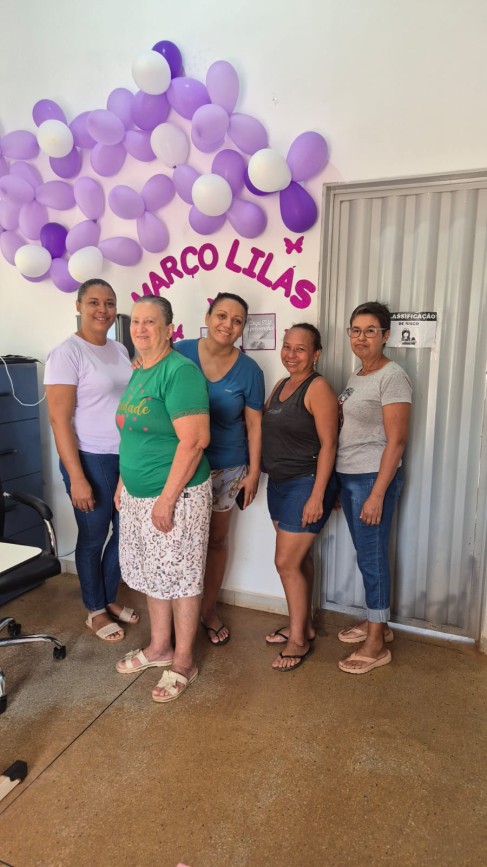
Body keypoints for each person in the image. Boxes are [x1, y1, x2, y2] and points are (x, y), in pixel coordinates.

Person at [114, 295, 212, 703]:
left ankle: (184, 660)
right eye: (136, 321)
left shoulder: (180, 372)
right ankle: (159, 647)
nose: (140, 328)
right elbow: (132, 432)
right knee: (153, 572)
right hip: (140, 495)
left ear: (169, 329)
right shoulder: (140, 370)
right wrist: (123, 482)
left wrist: (167, 499)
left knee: (182, 576)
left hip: (178, 495)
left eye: (150, 322)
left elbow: (195, 441)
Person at [45, 278, 135, 643]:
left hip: (125, 457)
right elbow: (59, 420)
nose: (103, 309)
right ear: (79, 306)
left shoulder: (119, 349)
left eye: (109, 303)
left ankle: (108, 597)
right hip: (90, 458)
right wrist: (77, 477)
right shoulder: (66, 354)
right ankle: (95, 610)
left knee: (126, 534)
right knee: (94, 536)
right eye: (94, 302)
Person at [177, 293, 265, 646]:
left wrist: (254, 472)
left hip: (227, 468)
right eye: (222, 316)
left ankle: (208, 610)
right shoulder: (179, 351)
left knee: (215, 542)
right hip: (182, 465)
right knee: (180, 543)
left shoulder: (250, 371)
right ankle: (176, 616)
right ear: (208, 316)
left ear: (242, 328)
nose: (228, 325)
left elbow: (255, 425)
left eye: (237, 320)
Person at [336, 301, 412, 675]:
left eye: (370, 331)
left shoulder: (392, 376)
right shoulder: (358, 375)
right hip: (350, 477)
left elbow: (396, 441)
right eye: (356, 330)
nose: (361, 337)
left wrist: (377, 493)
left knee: (372, 558)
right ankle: (375, 622)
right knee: (368, 556)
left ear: (385, 336)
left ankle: (377, 644)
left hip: (372, 479)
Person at [261, 324, 337, 671]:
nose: (291, 355)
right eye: (287, 346)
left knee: (286, 563)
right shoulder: (281, 385)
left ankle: (298, 641)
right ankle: (303, 626)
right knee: (299, 559)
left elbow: (329, 445)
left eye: (300, 349)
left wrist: (317, 495)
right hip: (278, 484)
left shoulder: (318, 388)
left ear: (316, 354)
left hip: (305, 484)